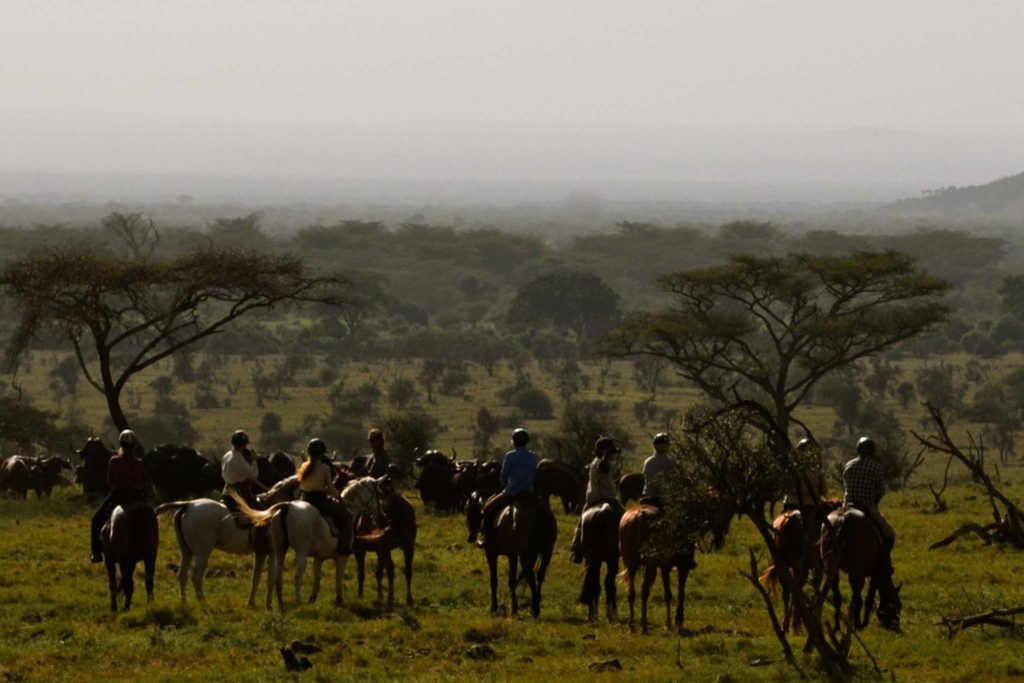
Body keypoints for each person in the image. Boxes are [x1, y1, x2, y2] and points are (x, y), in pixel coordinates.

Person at [474, 428, 539, 547]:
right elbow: (534, 475)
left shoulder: (509, 456)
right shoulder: (533, 457)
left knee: (488, 510)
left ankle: (487, 539)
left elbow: (503, 476)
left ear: (513, 441)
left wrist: (504, 483)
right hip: (529, 494)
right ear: (527, 442)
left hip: (511, 493)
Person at [90, 429, 145, 563]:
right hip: (135, 496)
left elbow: (110, 481)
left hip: (117, 496)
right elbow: (140, 482)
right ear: (135, 446)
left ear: (120, 444)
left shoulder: (114, 460)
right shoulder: (138, 462)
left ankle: (96, 554)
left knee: (96, 520)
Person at [842, 436, 895, 568]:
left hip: (847, 506)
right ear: (872, 451)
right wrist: (874, 503)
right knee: (889, 535)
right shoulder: (876, 467)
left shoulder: (848, 465)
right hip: (866, 506)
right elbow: (881, 491)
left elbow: (846, 486)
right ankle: (883, 563)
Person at [570, 436, 624, 562]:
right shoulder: (603, 463)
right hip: (608, 497)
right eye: (611, 453)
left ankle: (577, 547)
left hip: (593, 498)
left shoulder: (595, 461)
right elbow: (606, 480)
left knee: (581, 523)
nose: (613, 456)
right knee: (624, 515)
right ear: (605, 452)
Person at [297, 438, 353, 554]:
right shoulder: (325, 468)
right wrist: (340, 499)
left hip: (303, 500)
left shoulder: (303, 466)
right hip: (319, 501)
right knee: (347, 516)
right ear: (322, 454)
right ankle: (344, 547)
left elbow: (302, 486)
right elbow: (331, 488)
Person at [221, 430, 263, 512]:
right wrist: (253, 460)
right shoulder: (238, 458)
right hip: (240, 492)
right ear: (243, 445)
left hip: (226, 490)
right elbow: (254, 475)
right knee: (262, 511)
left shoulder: (226, 455)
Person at [783, 437, 827, 516]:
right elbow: (824, 491)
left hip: (790, 503)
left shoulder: (790, 468)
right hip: (810, 505)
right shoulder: (817, 471)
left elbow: (785, 488)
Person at [640, 433, 678, 509]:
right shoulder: (672, 461)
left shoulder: (648, 461)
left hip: (648, 495)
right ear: (668, 446)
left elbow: (644, 477)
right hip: (665, 497)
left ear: (654, 446)